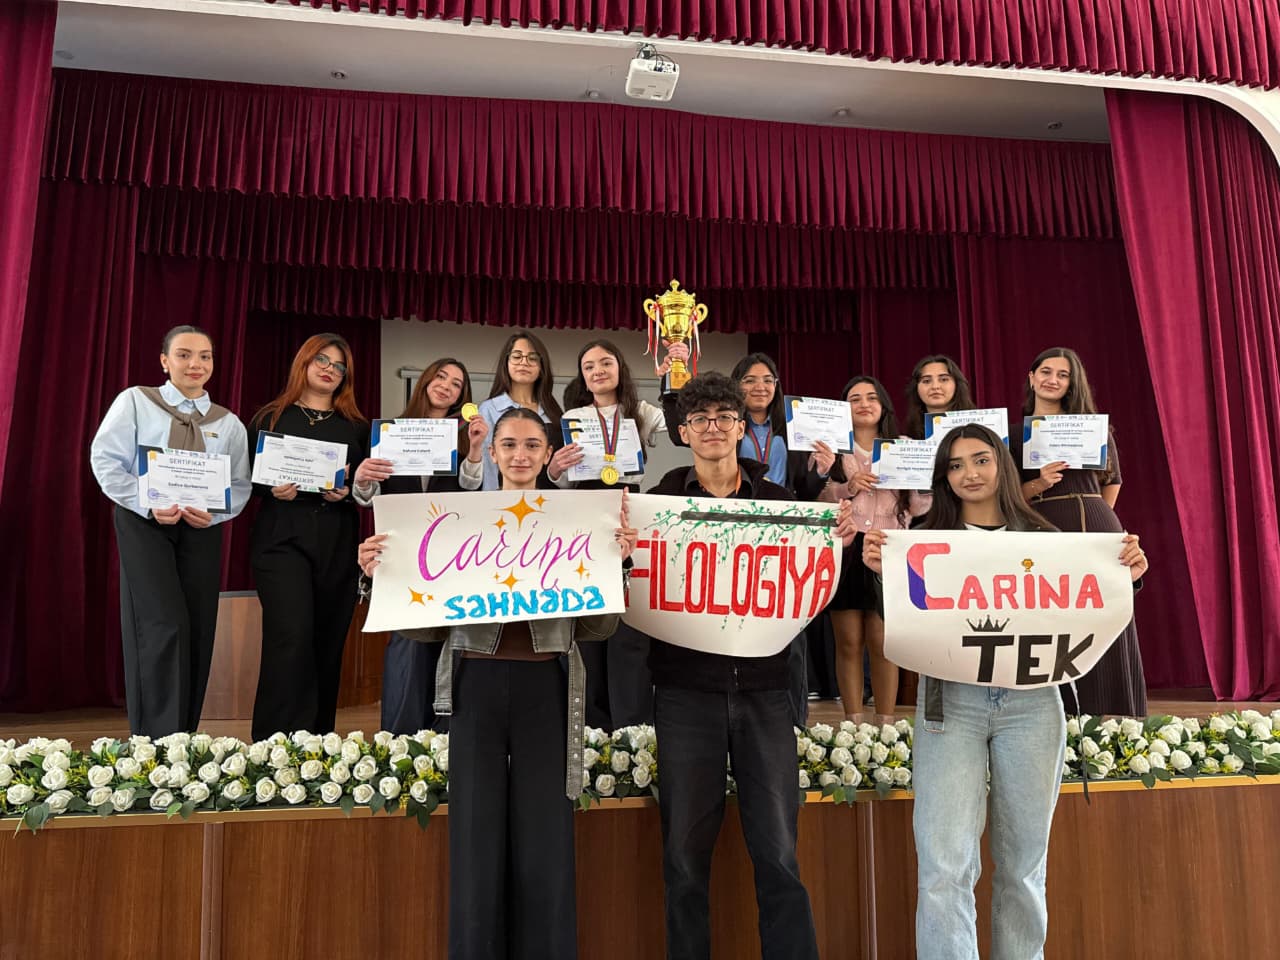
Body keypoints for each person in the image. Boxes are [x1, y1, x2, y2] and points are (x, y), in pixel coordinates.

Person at [856, 423, 1148, 960]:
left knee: (1023, 867)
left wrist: (1128, 573)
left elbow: (1090, 601)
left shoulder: (1046, 538)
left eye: (981, 459)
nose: (969, 473)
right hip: (950, 704)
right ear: (943, 478)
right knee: (943, 867)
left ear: (1003, 466)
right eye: (955, 465)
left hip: (1032, 704)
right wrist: (879, 574)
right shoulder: (921, 540)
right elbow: (902, 622)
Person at [358, 407, 637, 960]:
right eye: (508, 444)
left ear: (548, 453)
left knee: (546, 838)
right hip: (474, 683)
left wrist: (616, 568)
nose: (520, 455)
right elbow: (425, 627)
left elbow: (597, 629)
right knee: (474, 836)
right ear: (491, 452)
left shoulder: (575, 523)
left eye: (532, 445)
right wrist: (380, 576)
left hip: (548, 687)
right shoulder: (459, 520)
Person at [646, 371, 819, 960]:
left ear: (742, 427)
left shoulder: (780, 503)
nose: (713, 427)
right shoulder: (658, 503)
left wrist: (838, 542)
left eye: (724, 417)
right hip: (685, 693)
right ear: (683, 431)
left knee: (779, 854)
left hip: (766, 692)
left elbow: (808, 589)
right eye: (700, 419)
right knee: (683, 859)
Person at [90, 325, 251, 737]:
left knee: (198, 625)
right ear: (164, 361)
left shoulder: (228, 423)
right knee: (163, 624)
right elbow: (106, 461)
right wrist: (146, 503)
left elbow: (239, 484)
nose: (195, 364)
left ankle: (184, 737)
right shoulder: (136, 402)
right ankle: (153, 740)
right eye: (184, 354)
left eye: (205, 356)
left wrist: (214, 514)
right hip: (144, 523)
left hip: (201, 528)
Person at [352, 357, 489, 735]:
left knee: (448, 644)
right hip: (402, 554)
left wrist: (475, 449)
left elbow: (470, 490)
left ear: (462, 396)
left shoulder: (462, 437)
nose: (447, 386)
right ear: (425, 381)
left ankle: (445, 738)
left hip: (449, 557)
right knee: (408, 646)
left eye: (457, 384)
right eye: (441, 377)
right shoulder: (390, 432)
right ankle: (401, 737)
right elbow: (368, 498)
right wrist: (362, 478)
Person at [1011, 347, 1147, 717]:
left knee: (1107, 616)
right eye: (1046, 371)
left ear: (1073, 384)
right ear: (1032, 377)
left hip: (1095, 527)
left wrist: (1094, 517)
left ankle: (1115, 718)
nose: (1052, 379)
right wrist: (1040, 483)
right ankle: (1057, 717)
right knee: (1049, 620)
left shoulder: (1093, 428)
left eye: (1063, 374)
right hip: (1041, 528)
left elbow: (1112, 482)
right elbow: (1007, 497)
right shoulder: (1014, 436)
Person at [247, 333, 368, 741]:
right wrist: (271, 489)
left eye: (339, 366)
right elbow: (246, 480)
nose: (330, 369)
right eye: (322, 360)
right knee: (291, 636)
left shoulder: (357, 427)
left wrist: (347, 492)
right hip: (281, 540)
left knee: (327, 641)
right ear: (304, 362)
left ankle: (317, 744)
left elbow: (368, 488)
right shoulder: (269, 418)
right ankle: (274, 744)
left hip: (336, 540)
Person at [548, 339, 669, 728]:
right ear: (582, 377)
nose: (598, 371)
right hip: (583, 519)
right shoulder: (573, 416)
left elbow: (679, 425)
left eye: (605, 363)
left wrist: (673, 378)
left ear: (620, 369)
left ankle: (633, 728)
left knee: (627, 628)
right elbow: (561, 481)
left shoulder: (641, 412)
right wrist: (554, 469)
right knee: (588, 623)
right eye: (589, 366)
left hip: (628, 514)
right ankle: (592, 729)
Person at [811, 376, 928, 725]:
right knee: (848, 641)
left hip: (889, 547)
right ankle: (854, 724)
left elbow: (920, 507)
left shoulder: (904, 446)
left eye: (871, 397)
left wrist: (914, 483)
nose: (864, 404)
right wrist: (847, 487)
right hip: (848, 547)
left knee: (882, 641)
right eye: (855, 399)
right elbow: (817, 501)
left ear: (884, 406)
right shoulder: (832, 451)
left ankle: (886, 724)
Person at [475, 330, 563, 491]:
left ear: (542, 366)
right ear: (506, 362)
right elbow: (488, 466)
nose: (524, 362)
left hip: (547, 500)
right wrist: (491, 500)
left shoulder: (553, 411)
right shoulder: (489, 409)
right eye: (517, 356)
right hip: (504, 500)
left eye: (532, 358)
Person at [903, 354, 977, 440]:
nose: (935, 386)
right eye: (926, 381)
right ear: (916, 388)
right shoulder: (909, 435)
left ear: (957, 384)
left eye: (944, 379)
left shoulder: (977, 426)